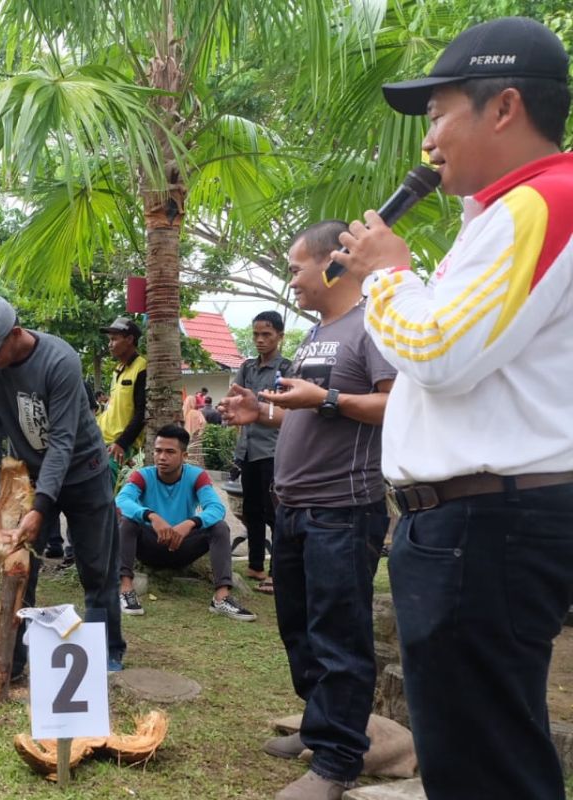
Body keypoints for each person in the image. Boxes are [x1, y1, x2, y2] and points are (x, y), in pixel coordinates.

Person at [331, 17, 573, 799]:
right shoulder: (505, 214)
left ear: (503, 108)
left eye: (438, 114)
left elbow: (436, 353)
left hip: (486, 527)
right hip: (478, 525)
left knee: (484, 765)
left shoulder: (543, 203)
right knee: (478, 751)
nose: (429, 139)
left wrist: (387, 274)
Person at [219, 220, 396, 800]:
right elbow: (312, 410)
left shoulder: (373, 325)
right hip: (293, 506)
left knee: (339, 634)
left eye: (296, 267)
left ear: (334, 264)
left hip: (342, 510)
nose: (291, 279)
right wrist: (264, 413)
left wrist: (326, 399)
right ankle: (319, 727)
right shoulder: (320, 333)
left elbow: (396, 407)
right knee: (299, 628)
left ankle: (339, 763)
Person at [0, 294, 125, 688]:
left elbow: (63, 441)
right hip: (30, 476)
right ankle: (13, 661)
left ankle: (105, 652)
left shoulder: (60, 360)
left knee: (96, 568)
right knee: (21, 568)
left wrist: (42, 507)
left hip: (85, 472)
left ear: (15, 333)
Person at [115, 424, 255, 621]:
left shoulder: (196, 476)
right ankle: (126, 590)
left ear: (184, 455)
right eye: (158, 451)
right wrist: (151, 516)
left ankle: (221, 598)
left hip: (183, 547)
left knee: (219, 527)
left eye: (170, 452)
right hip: (149, 546)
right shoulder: (143, 475)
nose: (162, 457)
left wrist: (190, 523)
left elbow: (216, 508)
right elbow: (122, 500)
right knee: (127, 522)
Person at [234, 311, 291, 590]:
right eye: (256, 334)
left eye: (266, 334)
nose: (260, 339)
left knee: (274, 513)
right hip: (247, 450)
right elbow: (236, 400)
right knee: (252, 510)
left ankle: (276, 572)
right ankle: (255, 565)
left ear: (280, 336)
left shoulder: (287, 368)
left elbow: (290, 409)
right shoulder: (247, 368)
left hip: (274, 450)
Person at [97, 316, 147, 481]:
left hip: (117, 444)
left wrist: (123, 443)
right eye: (109, 340)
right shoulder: (118, 369)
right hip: (103, 439)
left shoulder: (141, 368)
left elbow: (142, 413)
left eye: (114, 339)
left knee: (105, 491)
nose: (110, 344)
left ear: (130, 339)